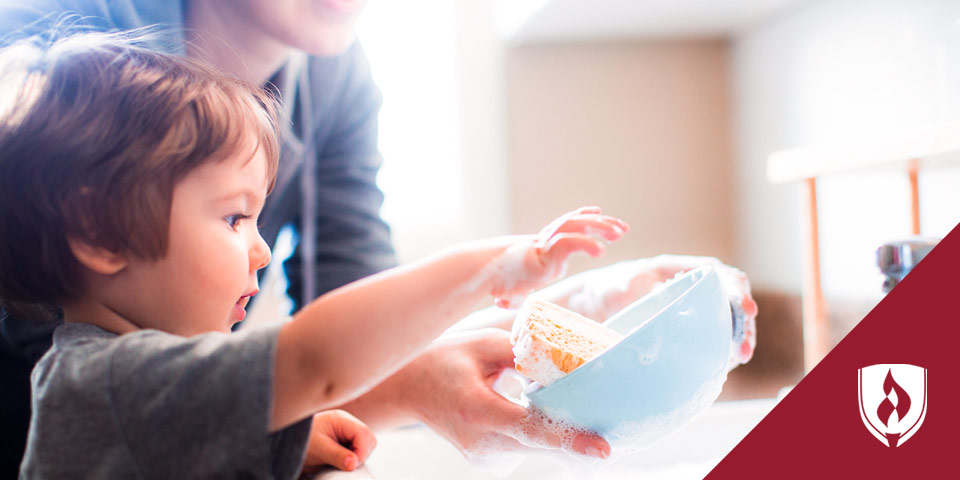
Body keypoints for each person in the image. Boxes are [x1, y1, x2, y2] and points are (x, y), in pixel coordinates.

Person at [0, 0, 759, 475]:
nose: (259, 252)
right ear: (98, 230)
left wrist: (582, 302)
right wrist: (496, 266)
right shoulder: (103, 384)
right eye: (235, 218)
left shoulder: (336, 79)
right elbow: (326, 355)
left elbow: (366, 323)